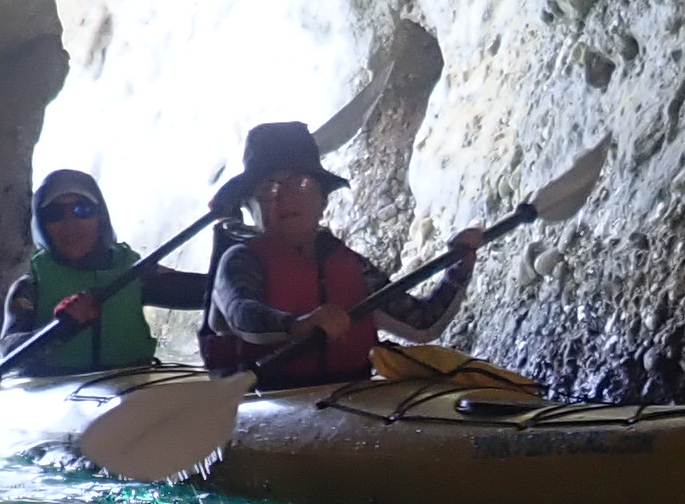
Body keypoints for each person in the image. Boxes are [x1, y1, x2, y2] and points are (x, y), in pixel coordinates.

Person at [201, 119, 490, 387]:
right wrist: (297, 325)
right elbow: (242, 314)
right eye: (267, 189)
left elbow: (423, 325)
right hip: (261, 408)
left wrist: (459, 268)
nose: (284, 196)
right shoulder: (238, 260)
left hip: (347, 403)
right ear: (251, 208)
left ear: (322, 200)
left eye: (300, 183)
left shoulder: (350, 265)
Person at [4, 166, 207, 373]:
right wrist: (59, 330)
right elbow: (8, 349)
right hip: (56, 388)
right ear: (41, 224)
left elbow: (211, 291)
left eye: (82, 209)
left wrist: (234, 268)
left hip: (132, 386)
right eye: (55, 214)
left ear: (100, 217)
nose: (70, 223)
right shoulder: (30, 287)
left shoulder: (135, 274)